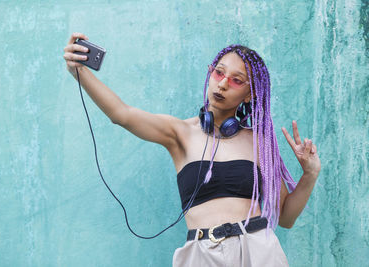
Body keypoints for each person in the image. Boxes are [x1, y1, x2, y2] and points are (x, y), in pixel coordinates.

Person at [63, 32, 321, 267]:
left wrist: (309, 175)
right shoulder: (180, 134)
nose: (222, 84)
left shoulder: (260, 143)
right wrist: (79, 73)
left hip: (258, 253)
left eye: (236, 80)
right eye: (219, 73)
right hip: (201, 256)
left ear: (249, 95)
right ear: (210, 74)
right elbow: (122, 114)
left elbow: (285, 218)